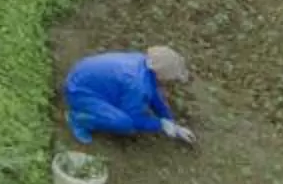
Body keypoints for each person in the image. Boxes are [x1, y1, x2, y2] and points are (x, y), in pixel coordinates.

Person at [63, 46, 196, 144]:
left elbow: (154, 96)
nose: (171, 81)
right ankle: (78, 118)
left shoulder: (143, 63)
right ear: (161, 74)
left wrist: (172, 123)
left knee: (124, 104)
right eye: (171, 78)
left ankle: (94, 110)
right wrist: (160, 125)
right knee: (124, 123)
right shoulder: (138, 84)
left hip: (82, 74)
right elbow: (133, 119)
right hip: (80, 92)